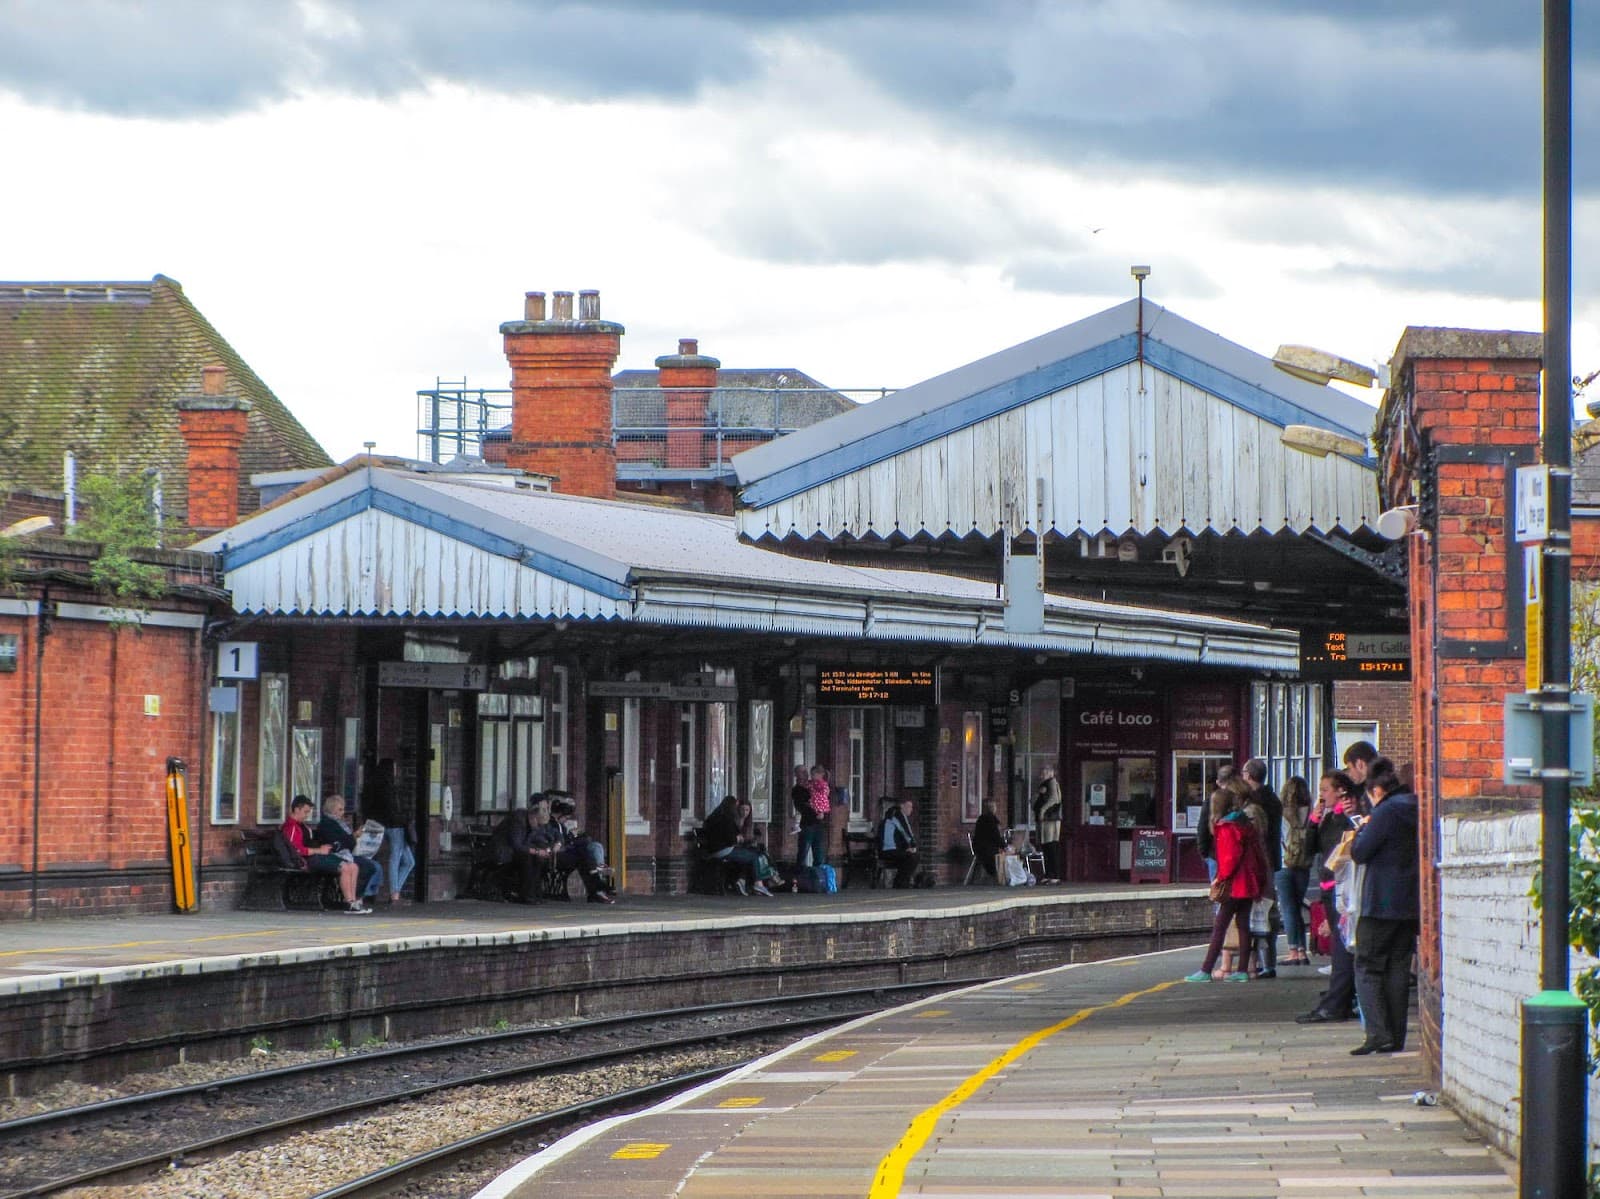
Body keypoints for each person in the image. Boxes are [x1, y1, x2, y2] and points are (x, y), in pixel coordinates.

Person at [1348, 757, 1420, 1055]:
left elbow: (1360, 852)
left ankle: (1378, 1033)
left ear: (1375, 790)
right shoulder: (1416, 806)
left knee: (1367, 966)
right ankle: (1396, 1035)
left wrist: (1362, 830)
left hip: (1379, 902)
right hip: (1409, 903)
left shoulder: (1385, 812)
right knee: (1398, 969)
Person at [1296, 770, 1362, 1024]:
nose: (1321, 794)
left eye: (1325, 789)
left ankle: (1337, 1003)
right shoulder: (1327, 819)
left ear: (1340, 791)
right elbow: (1309, 850)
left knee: (1342, 947)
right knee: (1340, 947)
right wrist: (1313, 821)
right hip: (1327, 888)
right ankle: (1339, 1000)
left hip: (1340, 889)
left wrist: (1349, 815)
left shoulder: (1346, 818)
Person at [1185, 786, 1268, 981]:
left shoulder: (1227, 828)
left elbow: (1230, 858)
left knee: (1220, 926)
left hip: (1233, 884)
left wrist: (1220, 878)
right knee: (1243, 925)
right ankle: (1242, 970)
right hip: (1248, 881)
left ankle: (1205, 970)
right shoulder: (1246, 824)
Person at [281, 795, 368, 914]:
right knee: (345, 867)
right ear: (296, 809)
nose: (307, 815)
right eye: (305, 812)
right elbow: (296, 850)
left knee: (353, 866)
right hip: (307, 860)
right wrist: (319, 850)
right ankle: (349, 902)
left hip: (317, 855)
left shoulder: (302, 825)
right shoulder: (292, 827)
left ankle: (353, 901)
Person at [1240, 759, 1282, 976]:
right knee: (1267, 912)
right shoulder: (1273, 799)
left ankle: (1255, 964)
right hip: (1271, 861)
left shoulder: (1253, 805)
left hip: (1258, 863)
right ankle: (1264, 963)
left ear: (1248, 775)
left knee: (1257, 912)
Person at [362, 757, 415, 904]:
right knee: (396, 857)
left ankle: (396, 890)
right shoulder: (389, 788)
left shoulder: (374, 786)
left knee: (409, 861)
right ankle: (394, 894)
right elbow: (393, 809)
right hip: (395, 825)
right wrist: (404, 818)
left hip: (386, 824)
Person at [311, 793, 383, 902]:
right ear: (332, 810)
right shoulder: (327, 824)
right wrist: (354, 836)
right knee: (368, 866)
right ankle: (355, 896)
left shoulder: (340, 823)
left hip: (348, 853)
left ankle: (356, 897)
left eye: (343, 809)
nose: (342, 812)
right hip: (337, 854)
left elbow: (347, 841)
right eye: (340, 810)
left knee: (373, 865)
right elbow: (339, 843)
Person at [547, 795, 617, 903]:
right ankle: (598, 882)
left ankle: (597, 884)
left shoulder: (561, 826)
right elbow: (558, 841)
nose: (567, 820)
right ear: (560, 813)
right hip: (557, 856)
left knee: (593, 846)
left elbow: (566, 838)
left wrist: (576, 835)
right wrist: (571, 837)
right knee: (583, 853)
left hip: (568, 853)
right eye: (566, 817)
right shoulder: (551, 824)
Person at [1275, 777, 1315, 966]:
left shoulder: (1281, 815)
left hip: (1284, 864)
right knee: (1298, 907)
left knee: (1288, 908)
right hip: (1304, 865)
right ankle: (1302, 950)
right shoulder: (1311, 814)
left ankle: (1292, 950)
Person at [490, 799, 558, 903]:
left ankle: (535, 894)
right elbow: (516, 844)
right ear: (533, 816)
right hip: (503, 851)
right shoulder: (518, 820)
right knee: (528, 857)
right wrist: (536, 851)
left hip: (516, 852)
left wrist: (543, 849)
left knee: (537, 858)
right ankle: (527, 895)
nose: (538, 826)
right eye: (537, 822)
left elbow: (534, 841)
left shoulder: (532, 824)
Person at [705, 794, 768, 895]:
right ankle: (757, 884)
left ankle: (743, 881)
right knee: (754, 856)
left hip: (711, 849)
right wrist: (737, 838)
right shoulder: (727, 819)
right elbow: (730, 839)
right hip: (723, 850)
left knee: (748, 854)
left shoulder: (714, 816)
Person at [792, 764, 830, 874]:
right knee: (804, 850)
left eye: (805, 772)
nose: (805, 774)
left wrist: (821, 810)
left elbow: (824, 795)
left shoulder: (814, 785)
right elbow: (801, 806)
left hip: (818, 823)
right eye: (802, 772)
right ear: (796, 775)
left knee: (818, 851)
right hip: (807, 823)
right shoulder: (797, 789)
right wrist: (815, 809)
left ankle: (817, 877)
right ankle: (800, 876)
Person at [877, 796, 919, 888]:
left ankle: (901, 881)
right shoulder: (899, 816)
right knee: (913, 857)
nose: (911, 809)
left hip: (886, 849)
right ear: (901, 806)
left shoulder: (891, 815)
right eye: (908, 806)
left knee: (909, 856)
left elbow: (898, 835)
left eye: (911, 807)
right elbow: (907, 834)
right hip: (890, 850)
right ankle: (901, 882)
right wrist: (912, 846)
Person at [1032, 766, 1063, 883]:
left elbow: (1054, 799)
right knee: (1046, 847)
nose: (1042, 775)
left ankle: (1054, 874)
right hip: (1045, 821)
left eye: (1045, 772)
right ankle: (1049, 874)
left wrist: (1042, 810)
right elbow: (1034, 799)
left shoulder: (1052, 783)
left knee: (1051, 846)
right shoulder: (1044, 785)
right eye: (1042, 772)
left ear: (1051, 773)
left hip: (1050, 820)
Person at [973, 800, 1005, 882]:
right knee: (1004, 853)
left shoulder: (981, 819)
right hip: (987, 849)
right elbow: (996, 836)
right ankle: (999, 875)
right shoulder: (991, 820)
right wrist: (1005, 846)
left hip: (978, 847)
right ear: (992, 808)